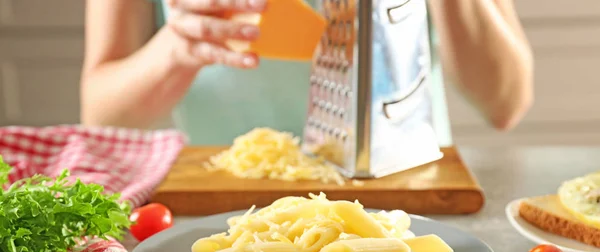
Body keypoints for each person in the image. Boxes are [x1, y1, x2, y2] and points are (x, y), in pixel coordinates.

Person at [80, 0, 533, 146]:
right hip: (225, 219)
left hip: (407, 209)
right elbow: (101, 115)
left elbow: (505, 101)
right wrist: (175, 50)